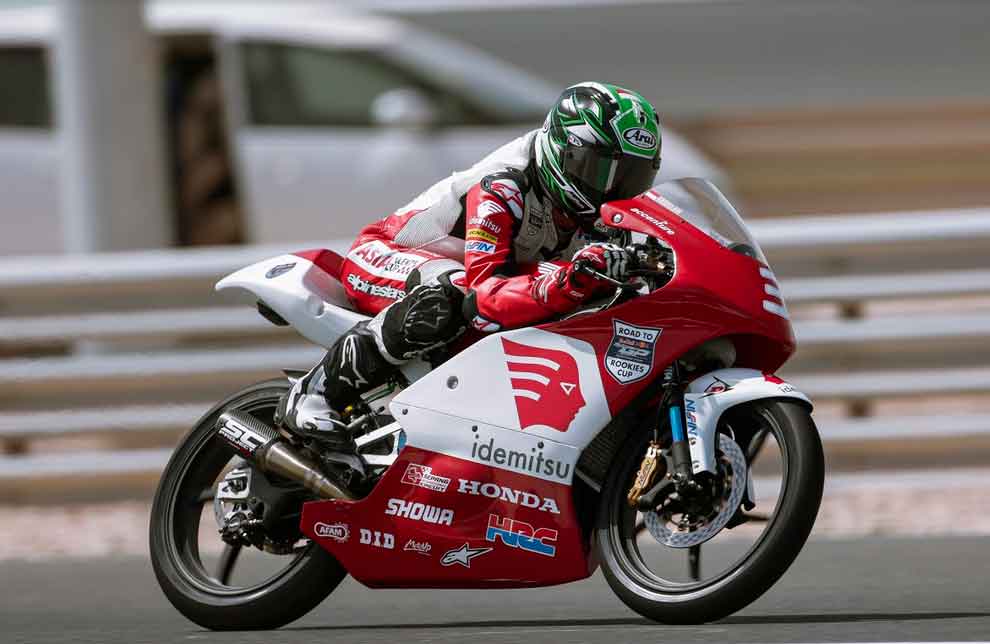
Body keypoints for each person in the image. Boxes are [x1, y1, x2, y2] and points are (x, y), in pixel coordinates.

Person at [277, 82, 663, 444]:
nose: (614, 190)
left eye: (632, 178)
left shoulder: (604, 217)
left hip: (480, 273)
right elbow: (484, 297)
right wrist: (566, 282)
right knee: (451, 292)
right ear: (564, 151)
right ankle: (316, 393)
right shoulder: (505, 184)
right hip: (386, 253)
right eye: (602, 172)